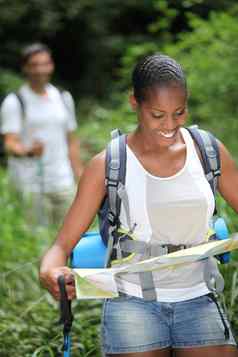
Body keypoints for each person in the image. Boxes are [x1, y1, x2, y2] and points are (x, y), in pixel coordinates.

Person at [39, 53, 238, 356]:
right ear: (135, 103)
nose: (170, 125)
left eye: (179, 112)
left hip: (201, 298)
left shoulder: (208, 150)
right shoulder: (108, 164)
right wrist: (49, 270)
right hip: (131, 305)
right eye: (157, 115)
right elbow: (61, 246)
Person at [0, 43, 83, 228]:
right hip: (30, 185)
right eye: (34, 65)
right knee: (39, 243)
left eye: (44, 64)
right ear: (25, 68)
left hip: (63, 181)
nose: (40, 69)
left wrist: (80, 177)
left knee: (71, 238)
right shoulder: (15, 101)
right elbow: (9, 143)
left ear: (51, 66)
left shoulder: (63, 97)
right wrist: (28, 151)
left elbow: (71, 140)